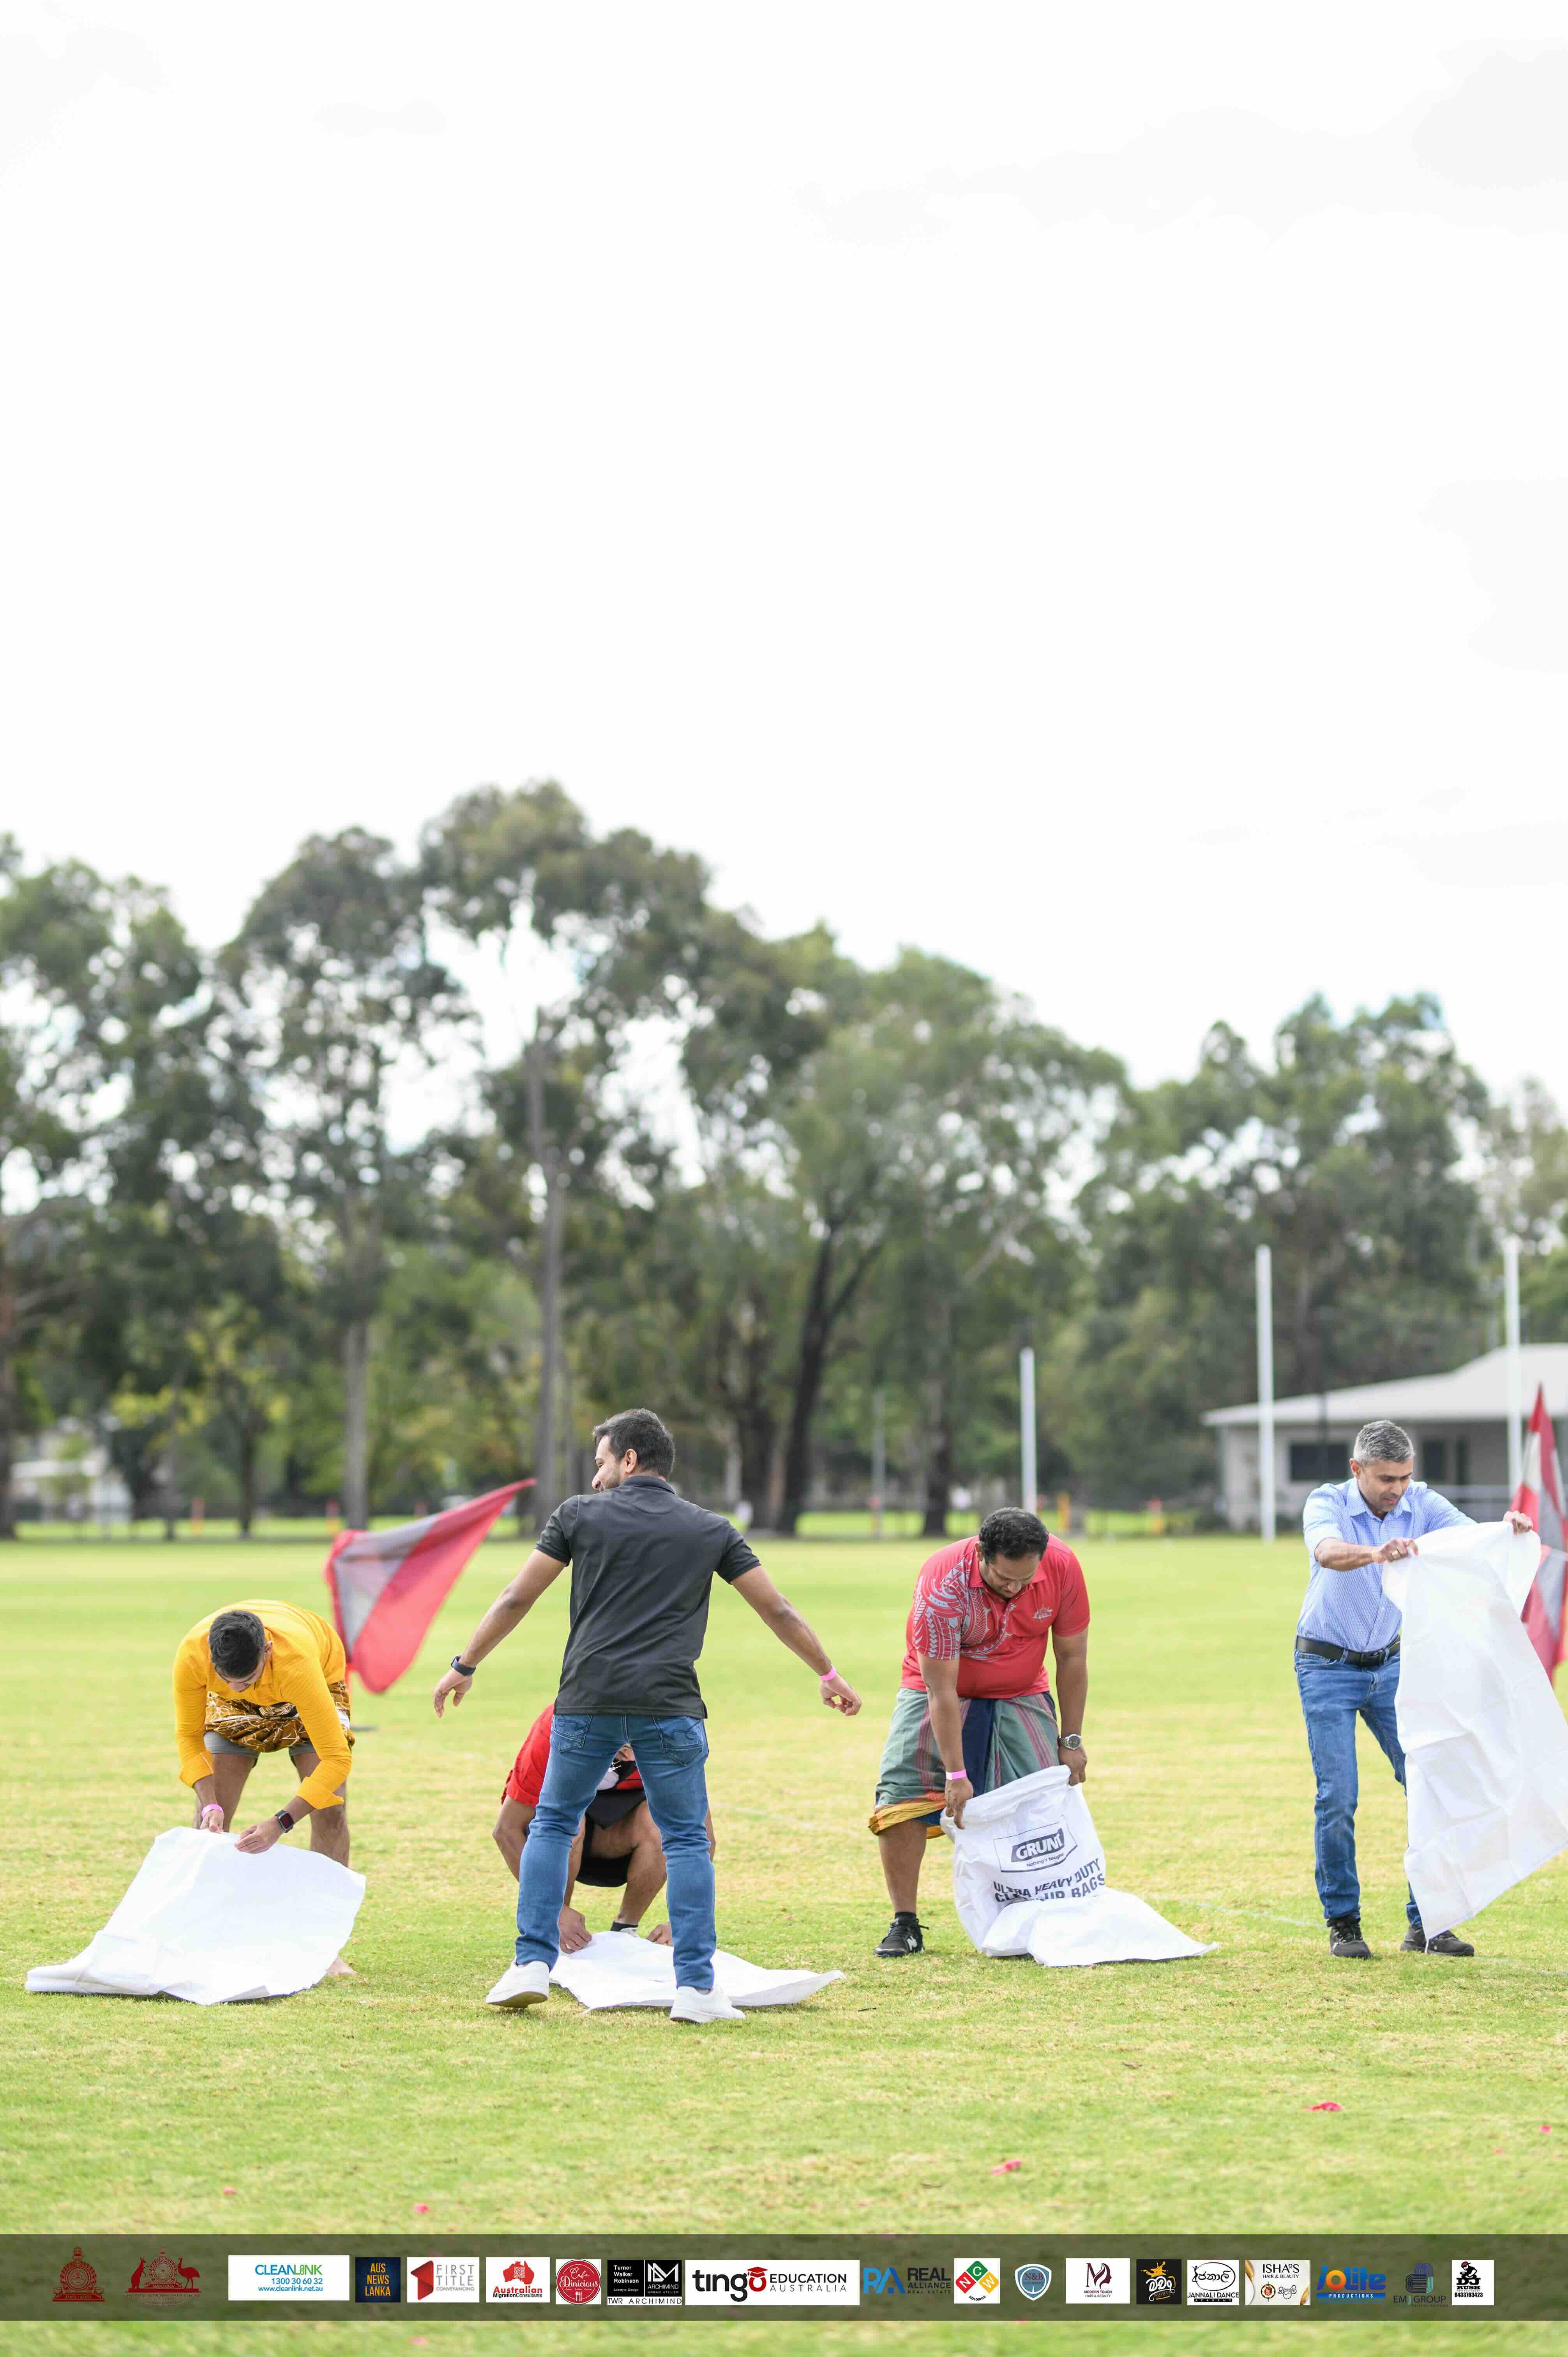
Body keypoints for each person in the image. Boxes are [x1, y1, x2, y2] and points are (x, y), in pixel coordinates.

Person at [433, 1406, 862, 2023]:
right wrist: (826, 1672)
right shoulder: (711, 1529)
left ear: (630, 1459)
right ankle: (696, 1989)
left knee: (552, 1825)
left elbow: (516, 1596)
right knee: (687, 1840)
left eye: (602, 1461)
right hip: (670, 1705)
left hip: (588, 1700)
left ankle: (529, 1964)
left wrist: (465, 1664)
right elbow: (779, 1610)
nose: (596, 1476)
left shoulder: (577, 1515)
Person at [1298, 1418, 1534, 1960]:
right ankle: (1344, 1924)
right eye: (1386, 1479)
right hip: (1326, 1665)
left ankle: (1428, 1924)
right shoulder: (1327, 1502)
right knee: (1338, 1797)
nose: (1398, 1489)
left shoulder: (1421, 1502)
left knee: (1429, 1783)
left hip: (1392, 1666)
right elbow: (1327, 1552)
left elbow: (1469, 1540)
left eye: (1405, 1477)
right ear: (1357, 1469)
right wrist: (1377, 1554)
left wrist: (1507, 1530)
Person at [867, 1507, 1090, 1957]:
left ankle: (1040, 1914)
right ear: (981, 1555)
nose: (1015, 1589)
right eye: (1004, 1579)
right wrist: (955, 1774)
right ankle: (904, 1923)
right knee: (902, 1797)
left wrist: (1071, 1740)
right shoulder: (943, 1584)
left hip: (1021, 1690)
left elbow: (1071, 1657)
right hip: (935, 1691)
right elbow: (941, 1690)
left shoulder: (1062, 1566)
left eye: (1025, 1580)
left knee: (1040, 1798)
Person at [494, 1703, 717, 1948]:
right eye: (625, 1745)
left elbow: (699, 1836)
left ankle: (625, 1929)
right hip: (557, 1843)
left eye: (641, 1744)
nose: (631, 1757)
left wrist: (686, 1922)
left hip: (618, 1844)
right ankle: (554, 1932)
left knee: (659, 1823)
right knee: (567, 1821)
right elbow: (506, 1830)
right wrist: (552, 1911)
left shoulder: (677, 1733)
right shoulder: (559, 1726)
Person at [172, 1599, 353, 1867]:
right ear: (211, 1656)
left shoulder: (298, 1665)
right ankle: (208, 1894)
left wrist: (281, 1823)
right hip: (230, 1704)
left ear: (267, 1651)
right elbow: (189, 1736)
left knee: (329, 1809)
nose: (237, 1688)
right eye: (226, 1679)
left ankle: (326, 1895)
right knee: (209, 1817)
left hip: (308, 1682)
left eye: (246, 1681)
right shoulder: (192, 1657)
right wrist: (210, 1805)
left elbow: (336, 1760)